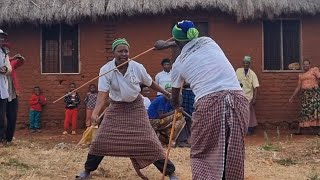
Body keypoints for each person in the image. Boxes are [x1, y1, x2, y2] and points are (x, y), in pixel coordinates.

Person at [75, 38, 178, 180]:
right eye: (120, 51)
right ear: (114, 53)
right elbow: (102, 95)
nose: (124, 54)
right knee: (101, 140)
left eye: (126, 51)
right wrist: (95, 113)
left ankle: (170, 172)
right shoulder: (106, 70)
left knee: (150, 141)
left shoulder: (137, 67)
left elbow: (150, 82)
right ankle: (87, 170)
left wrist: (166, 93)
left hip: (136, 107)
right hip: (115, 108)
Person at [164, 20, 249, 180]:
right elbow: (184, 38)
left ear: (175, 41)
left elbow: (175, 97)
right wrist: (170, 42)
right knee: (233, 150)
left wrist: (177, 106)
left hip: (210, 103)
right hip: (238, 100)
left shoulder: (178, 64)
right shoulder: (209, 42)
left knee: (201, 152)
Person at [289, 59, 320, 135]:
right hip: (306, 96)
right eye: (304, 64)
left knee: (315, 112)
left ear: (310, 65)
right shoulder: (301, 75)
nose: (305, 65)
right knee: (304, 112)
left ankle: (319, 131)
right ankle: (299, 131)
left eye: (307, 64)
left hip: (314, 94)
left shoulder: (314, 70)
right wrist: (292, 97)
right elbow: (298, 87)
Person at [236, 56, 259, 135]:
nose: (245, 64)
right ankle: (242, 129)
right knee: (240, 113)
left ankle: (249, 129)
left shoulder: (252, 74)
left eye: (247, 63)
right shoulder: (238, 71)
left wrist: (254, 99)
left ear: (249, 64)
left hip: (248, 98)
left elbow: (256, 87)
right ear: (242, 63)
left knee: (248, 114)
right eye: (244, 63)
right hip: (239, 97)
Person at [5, 53, 25, 140]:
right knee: (2, 117)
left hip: (12, 92)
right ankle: (2, 137)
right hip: (2, 94)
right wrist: (11, 58)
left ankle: (9, 138)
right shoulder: (5, 61)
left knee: (12, 115)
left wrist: (21, 58)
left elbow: (20, 62)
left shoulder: (11, 62)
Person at [0, 29, 12, 147]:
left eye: (2, 37)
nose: (1, 39)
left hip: (2, 89)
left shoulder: (4, 52)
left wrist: (6, 70)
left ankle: (1, 139)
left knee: (1, 115)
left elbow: (9, 68)